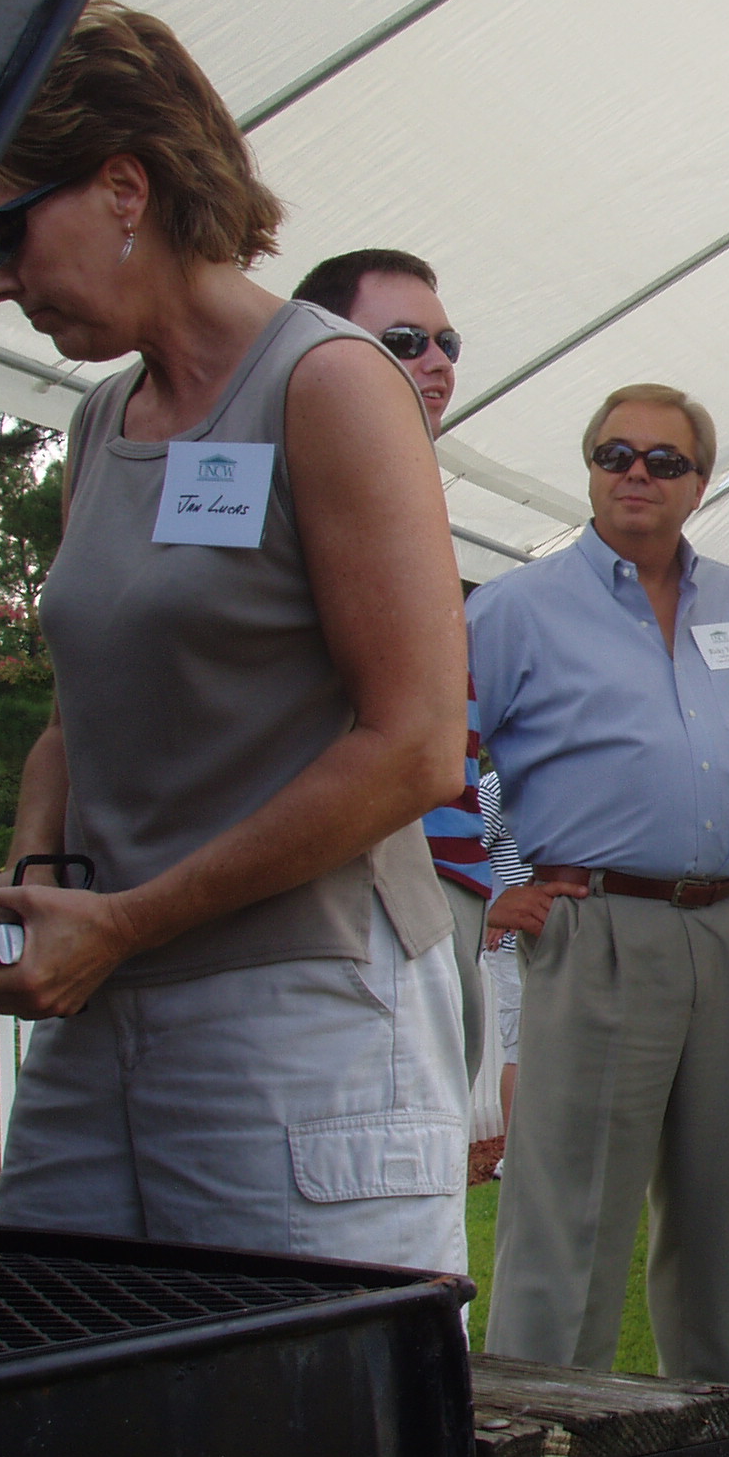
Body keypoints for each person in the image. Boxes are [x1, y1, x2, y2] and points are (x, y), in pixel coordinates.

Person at [0, 0, 471, 1271]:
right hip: (103, 1006)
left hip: (298, 1009)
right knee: (58, 1362)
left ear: (125, 188)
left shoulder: (329, 383)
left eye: (4, 232)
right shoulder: (103, 419)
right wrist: (36, 887)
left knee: (294, 1390)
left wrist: (128, 922)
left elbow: (415, 748)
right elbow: (74, 717)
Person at [470, 381, 729, 1457]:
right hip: (595, 922)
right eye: (614, 453)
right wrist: (486, 883)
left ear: (699, 480)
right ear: (588, 468)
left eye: (664, 460)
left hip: (721, 926)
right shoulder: (517, 607)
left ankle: (722, 1452)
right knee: (571, 1215)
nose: (637, 473)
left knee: (720, 1202)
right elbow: (437, 742)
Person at [290, 249, 496, 1094]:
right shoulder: (298, 483)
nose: (438, 362)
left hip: (445, 876)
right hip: (352, 885)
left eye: (449, 343)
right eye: (406, 341)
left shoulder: (415, 498)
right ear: (321, 347)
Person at [478, 769, 529, 1146]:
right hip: (510, 945)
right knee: (520, 1049)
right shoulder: (496, 786)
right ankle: (514, 1156)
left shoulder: (559, 779)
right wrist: (491, 910)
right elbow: (470, 852)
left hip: (561, 939)